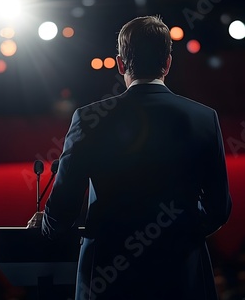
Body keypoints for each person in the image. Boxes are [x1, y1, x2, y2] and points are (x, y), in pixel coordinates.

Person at [39, 15, 232, 299]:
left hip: (108, 277)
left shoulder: (89, 118)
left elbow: (63, 207)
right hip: (180, 278)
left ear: (119, 64)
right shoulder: (204, 118)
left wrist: (45, 226)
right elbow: (218, 208)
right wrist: (178, 232)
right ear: (167, 62)